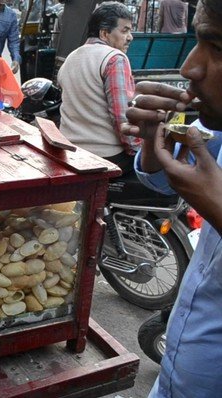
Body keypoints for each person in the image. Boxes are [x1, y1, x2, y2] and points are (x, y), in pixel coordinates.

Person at [122, 0, 222, 396]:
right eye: (198, 41)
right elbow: (169, 180)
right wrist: (151, 140)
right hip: (178, 375)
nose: (189, 68)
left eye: (218, 48)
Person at [57, 1, 140, 175]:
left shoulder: (72, 56)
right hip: (105, 156)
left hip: (70, 151)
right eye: (124, 31)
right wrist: (137, 150)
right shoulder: (115, 58)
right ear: (104, 33)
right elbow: (121, 117)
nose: (130, 37)